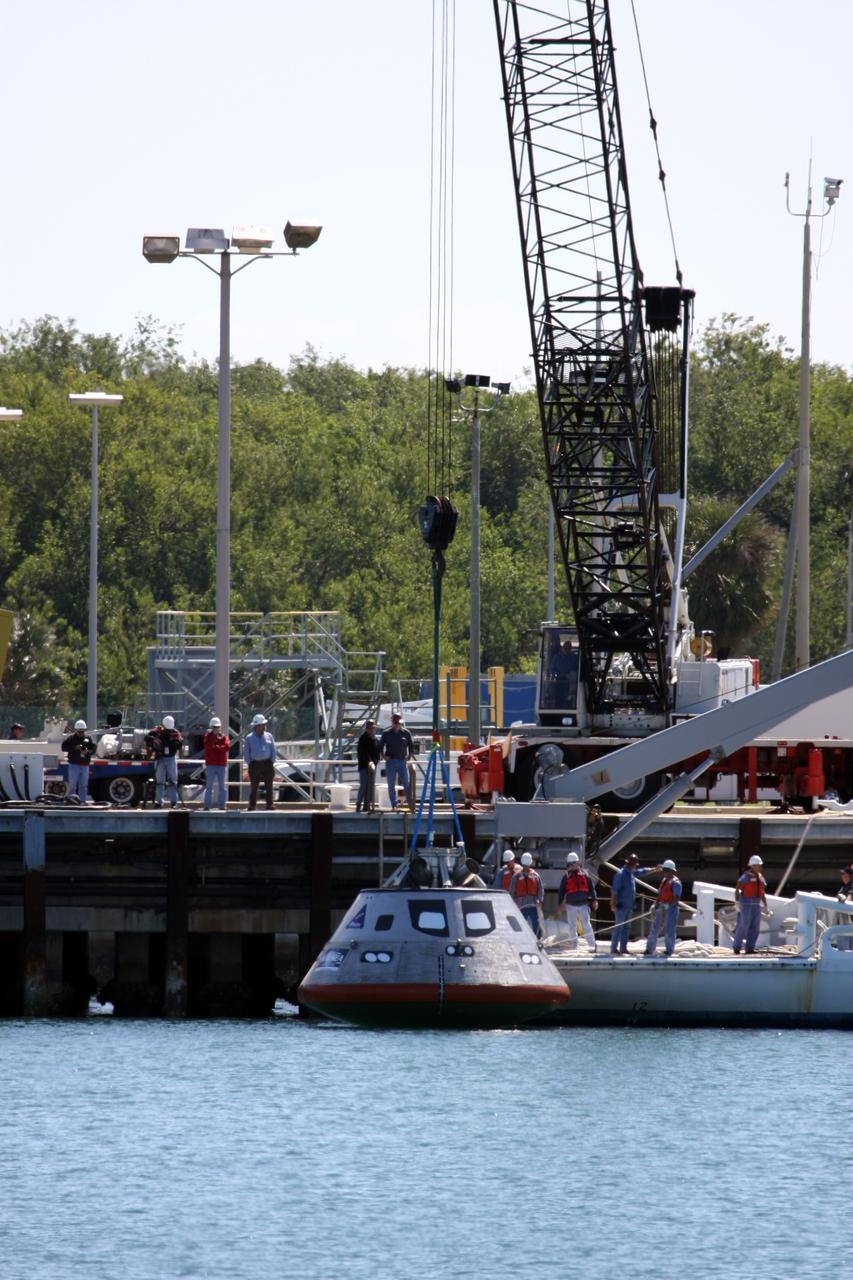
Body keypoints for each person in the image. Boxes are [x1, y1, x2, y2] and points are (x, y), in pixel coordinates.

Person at [609, 853, 661, 955]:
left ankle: (623, 948)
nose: (635, 866)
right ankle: (613, 948)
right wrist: (613, 904)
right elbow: (614, 890)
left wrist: (655, 869)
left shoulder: (631, 873)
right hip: (621, 905)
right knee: (619, 927)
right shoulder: (621, 874)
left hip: (629, 905)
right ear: (630, 864)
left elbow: (643, 871)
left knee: (626, 928)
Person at [557, 851, 598, 953]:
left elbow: (591, 888)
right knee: (572, 926)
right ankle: (575, 944)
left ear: (577, 863)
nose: (570, 866)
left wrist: (594, 900)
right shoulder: (566, 877)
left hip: (583, 904)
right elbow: (562, 891)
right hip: (570, 905)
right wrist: (559, 904)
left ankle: (592, 944)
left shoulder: (585, 874)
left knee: (586, 925)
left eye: (572, 864)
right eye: (569, 864)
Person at [645, 859, 682, 958]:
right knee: (655, 928)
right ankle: (649, 949)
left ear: (672, 871)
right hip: (661, 906)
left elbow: (676, 897)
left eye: (667, 870)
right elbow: (660, 894)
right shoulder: (664, 881)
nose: (665, 872)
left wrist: (669, 905)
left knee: (669, 930)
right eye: (664, 870)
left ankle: (669, 950)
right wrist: (657, 904)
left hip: (671, 908)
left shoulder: (676, 882)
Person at [733, 853, 768, 955]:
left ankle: (750, 948)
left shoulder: (760, 878)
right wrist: (737, 902)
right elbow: (738, 889)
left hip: (756, 904)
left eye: (760, 865)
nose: (759, 867)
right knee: (743, 925)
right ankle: (737, 947)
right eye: (758, 865)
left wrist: (765, 905)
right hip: (746, 904)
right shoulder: (746, 877)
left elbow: (761, 892)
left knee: (755, 927)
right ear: (752, 866)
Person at [146, 715, 183, 808]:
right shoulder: (157, 731)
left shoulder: (175, 733)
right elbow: (148, 738)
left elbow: (179, 744)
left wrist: (169, 743)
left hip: (171, 758)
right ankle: (159, 802)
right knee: (159, 781)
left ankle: (174, 802)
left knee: (173, 781)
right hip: (160, 758)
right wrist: (153, 740)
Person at [379, 712, 415, 810]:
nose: (396, 724)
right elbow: (380, 746)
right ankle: (394, 805)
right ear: (392, 722)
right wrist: (383, 756)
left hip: (402, 762)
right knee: (391, 784)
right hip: (390, 762)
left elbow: (411, 747)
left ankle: (410, 804)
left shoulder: (407, 733)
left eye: (398, 722)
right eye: (395, 722)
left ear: (401, 723)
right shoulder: (386, 733)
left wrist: (409, 757)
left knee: (406, 783)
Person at [243, 713, 276, 810]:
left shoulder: (269, 736)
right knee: (254, 787)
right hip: (255, 765)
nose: (265, 726)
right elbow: (246, 752)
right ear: (257, 726)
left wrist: (271, 761)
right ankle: (252, 805)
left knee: (269, 786)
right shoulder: (249, 738)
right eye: (263, 725)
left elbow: (273, 749)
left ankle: (270, 805)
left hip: (267, 764)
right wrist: (250, 763)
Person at [510, 851, 545, 938]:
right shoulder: (516, 876)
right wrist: (512, 903)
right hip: (521, 905)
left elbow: (540, 888)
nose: (526, 867)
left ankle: (537, 939)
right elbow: (512, 891)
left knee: (536, 923)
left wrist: (540, 899)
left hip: (533, 905)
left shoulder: (535, 875)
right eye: (525, 865)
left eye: (527, 865)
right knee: (522, 924)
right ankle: (522, 939)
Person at [62, 719, 96, 803]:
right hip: (74, 765)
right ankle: (71, 801)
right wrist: (74, 748)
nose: (81, 733)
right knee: (72, 785)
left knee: (83, 785)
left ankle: (82, 801)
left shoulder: (89, 738)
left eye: (83, 731)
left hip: (85, 765)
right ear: (76, 730)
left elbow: (94, 749)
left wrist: (88, 751)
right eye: (80, 731)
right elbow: (63, 748)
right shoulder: (71, 738)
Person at [203, 716, 230, 811]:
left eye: (217, 727)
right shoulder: (207, 737)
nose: (216, 729)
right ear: (211, 727)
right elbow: (208, 746)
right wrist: (217, 743)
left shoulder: (224, 737)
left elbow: (226, 747)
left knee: (222, 786)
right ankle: (207, 805)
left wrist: (216, 747)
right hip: (211, 764)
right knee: (209, 786)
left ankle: (222, 806)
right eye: (214, 727)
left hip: (221, 765)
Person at [355, 719, 380, 812]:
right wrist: (369, 762)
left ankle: (367, 805)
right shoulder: (362, 739)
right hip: (364, 767)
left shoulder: (376, 740)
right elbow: (362, 753)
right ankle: (358, 804)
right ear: (366, 729)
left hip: (373, 767)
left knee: (370, 786)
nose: (371, 730)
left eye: (373, 728)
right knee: (363, 785)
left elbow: (378, 753)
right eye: (369, 728)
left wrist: (375, 762)